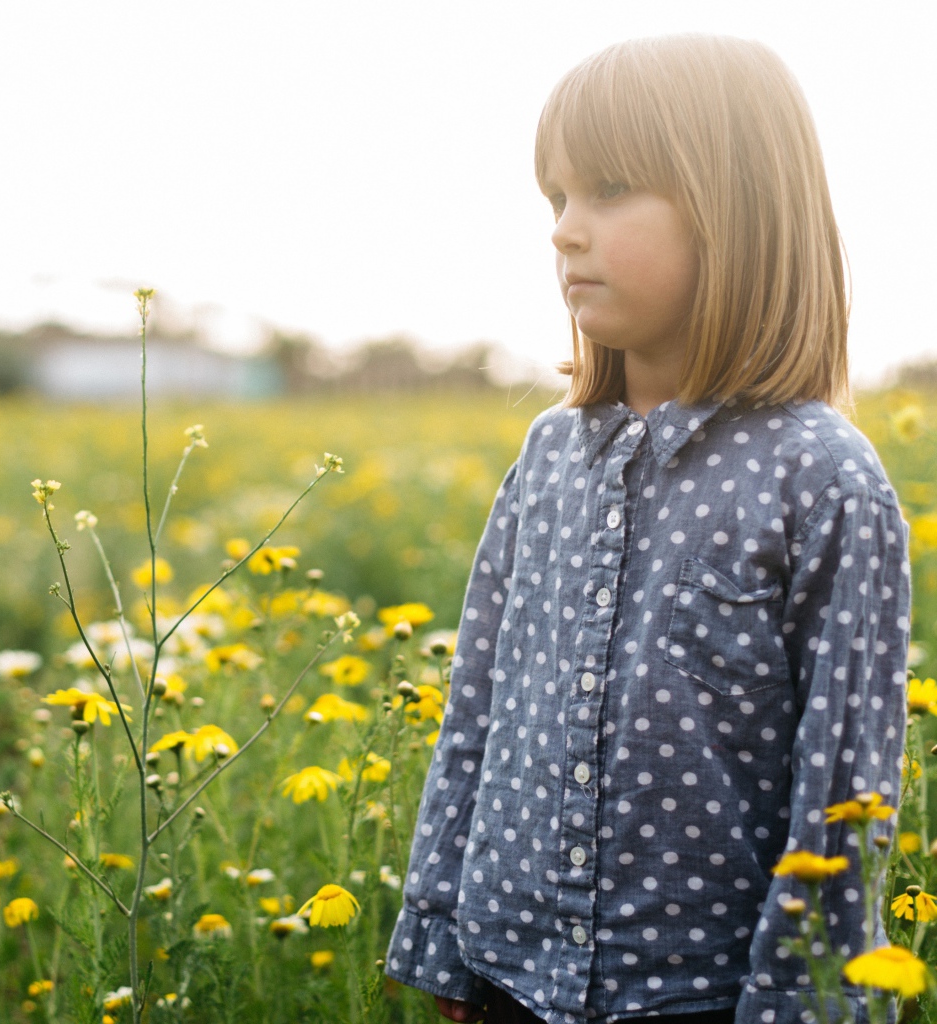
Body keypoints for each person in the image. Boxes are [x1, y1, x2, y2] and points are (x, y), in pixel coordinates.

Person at [384, 34, 910, 1024]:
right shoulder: (548, 455)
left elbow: (845, 784)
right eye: (556, 197)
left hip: (697, 996)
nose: (564, 230)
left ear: (737, 212)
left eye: (612, 188)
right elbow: (476, 710)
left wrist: (803, 1003)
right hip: (508, 975)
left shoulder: (820, 477)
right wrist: (442, 934)